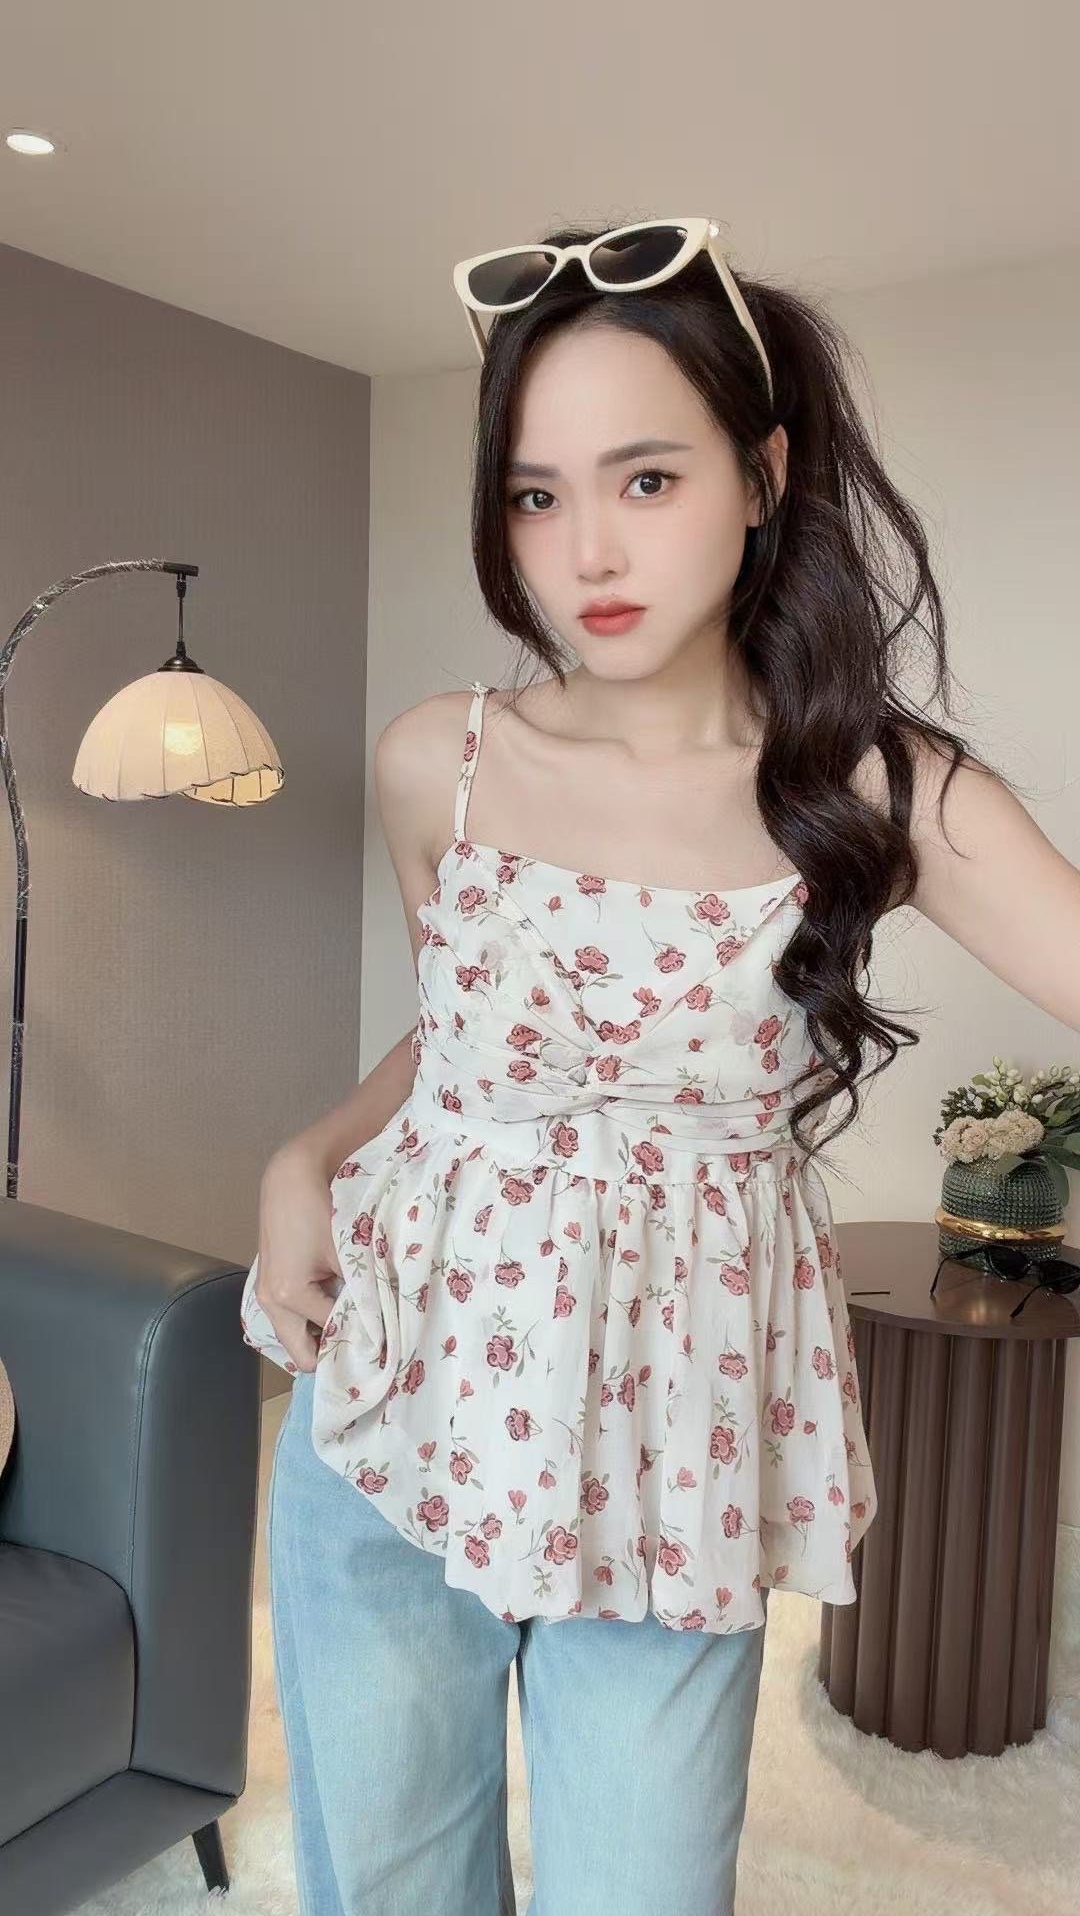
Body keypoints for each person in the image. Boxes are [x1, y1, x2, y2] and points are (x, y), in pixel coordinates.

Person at [240, 218, 1078, 1915]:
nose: (587, 553)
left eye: (645, 478)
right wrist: (304, 1156)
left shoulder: (873, 788)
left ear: (763, 475)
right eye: (535, 496)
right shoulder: (438, 761)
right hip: (398, 1408)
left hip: (674, 1452)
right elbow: (473, 1046)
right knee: (386, 1892)